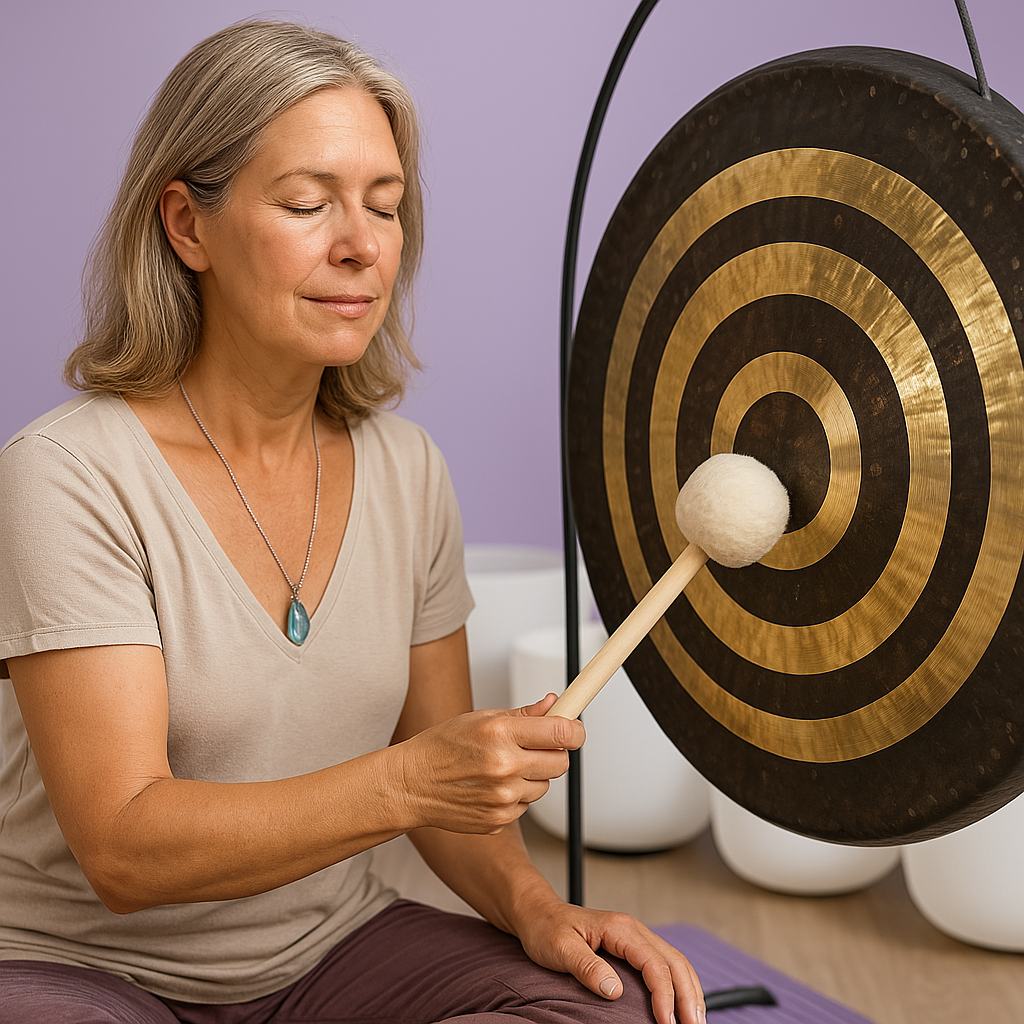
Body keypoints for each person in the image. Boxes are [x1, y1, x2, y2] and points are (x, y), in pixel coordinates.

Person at [0, 20, 705, 1024]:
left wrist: (538, 905)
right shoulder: (65, 476)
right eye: (306, 203)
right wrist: (408, 780)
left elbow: (449, 798)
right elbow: (124, 846)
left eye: (386, 206)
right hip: (75, 966)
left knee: (613, 1003)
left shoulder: (407, 471)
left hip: (328, 951)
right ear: (185, 227)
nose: (360, 245)